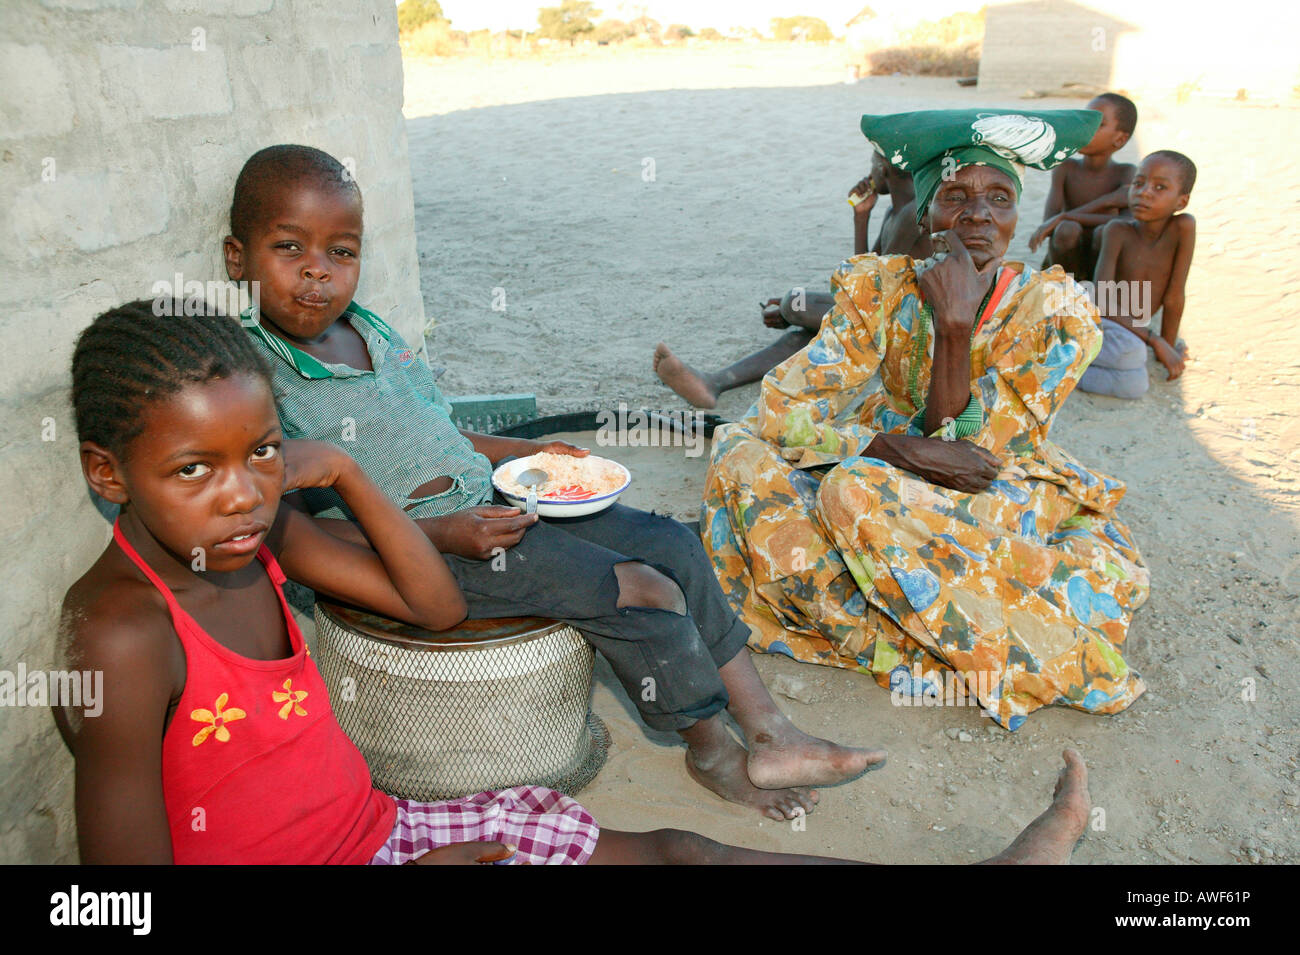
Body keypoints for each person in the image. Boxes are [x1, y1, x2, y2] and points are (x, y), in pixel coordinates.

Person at [56, 302, 1095, 866]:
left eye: (266, 450)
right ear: (109, 475)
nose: (241, 494)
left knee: (680, 849)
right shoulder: (121, 632)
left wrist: (346, 475)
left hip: (386, 831)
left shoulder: (264, 533)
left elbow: (435, 606)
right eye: (195, 469)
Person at [220, 145, 882, 823]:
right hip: (419, 550)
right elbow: (295, 533)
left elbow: (442, 433)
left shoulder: (369, 330)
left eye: (342, 252)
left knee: (669, 543)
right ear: (237, 260)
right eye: (289, 247)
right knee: (641, 589)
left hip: (495, 502)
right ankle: (710, 748)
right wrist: (440, 530)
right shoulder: (252, 378)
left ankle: (770, 731)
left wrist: (531, 451)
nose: (317, 272)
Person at [702, 109, 1151, 731]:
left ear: (1016, 217)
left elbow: (972, 457)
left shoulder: (1054, 311)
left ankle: (927, 638)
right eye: (955, 198)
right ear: (925, 215)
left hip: (1001, 480)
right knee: (737, 450)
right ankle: (898, 633)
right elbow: (782, 408)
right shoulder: (878, 289)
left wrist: (955, 325)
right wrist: (890, 445)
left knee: (850, 489)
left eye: (999, 198)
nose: (978, 215)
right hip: (885, 463)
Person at [653, 156, 931, 409]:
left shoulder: (911, 214)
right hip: (878, 319)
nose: (868, 172)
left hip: (904, 328)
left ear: (883, 168)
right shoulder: (894, 213)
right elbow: (860, 277)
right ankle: (713, 383)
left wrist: (791, 310)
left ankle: (717, 379)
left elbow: (865, 291)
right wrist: (861, 217)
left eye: (872, 162)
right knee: (803, 336)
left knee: (796, 302)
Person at [1078, 150, 1196, 398]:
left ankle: (1059, 373)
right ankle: (1053, 360)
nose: (1144, 192)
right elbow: (1101, 302)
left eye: (1160, 187)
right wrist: (1155, 340)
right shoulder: (1117, 230)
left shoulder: (1182, 228)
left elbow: (1175, 295)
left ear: (1181, 202)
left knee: (1135, 385)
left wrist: (1168, 345)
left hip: (1131, 331)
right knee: (1132, 352)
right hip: (1103, 321)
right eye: (1139, 183)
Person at [1028, 93, 1138, 282]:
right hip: (1064, 262)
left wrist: (1066, 215)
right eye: (1085, 121)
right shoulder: (1066, 168)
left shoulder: (1126, 173)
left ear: (1119, 139)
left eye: (1098, 124)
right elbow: (1050, 222)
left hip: (1104, 267)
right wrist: (1106, 202)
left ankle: (1096, 294)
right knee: (1066, 229)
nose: (1086, 129)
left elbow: (1128, 222)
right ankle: (1065, 289)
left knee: (1106, 231)